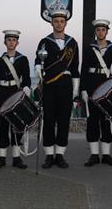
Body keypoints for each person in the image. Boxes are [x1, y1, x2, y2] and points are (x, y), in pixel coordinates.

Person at [34, 10, 79, 169]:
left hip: (66, 85)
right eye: (56, 21)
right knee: (49, 120)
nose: (59, 23)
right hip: (50, 86)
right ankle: (48, 155)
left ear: (65, 23)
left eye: (62, 21)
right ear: (51, 23)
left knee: (63, 121)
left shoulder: (72, 43)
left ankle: (60, 154)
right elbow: (38, 60)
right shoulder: (44, 42)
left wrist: (75, 91)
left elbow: (75, 68)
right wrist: (38, 67)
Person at [80, 19, 112, 167]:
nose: (100, 32)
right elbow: (84, 69)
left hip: (107, 87)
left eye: (103, 30)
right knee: (92, 121)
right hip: (91, 86)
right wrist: (83, 89)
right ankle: (93, 155)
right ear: (95, 32)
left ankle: (106, 155)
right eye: (98, 30)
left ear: (107, 31)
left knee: (107, 120)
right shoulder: (89, 48)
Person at [0, 30, 31, 169]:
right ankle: (1, 157)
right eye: (9, 40)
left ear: (17, 43)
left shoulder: (23, 59)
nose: (11, 42)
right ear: (5, 42)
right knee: (1, 126)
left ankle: (16, 157)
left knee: (17, 125)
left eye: (14, 40)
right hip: (1, 94)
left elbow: (27, 78)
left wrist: (26, 87)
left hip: (16, 94)